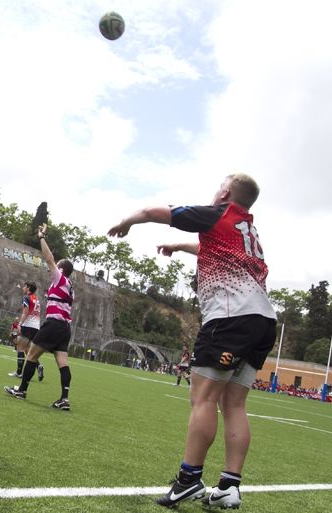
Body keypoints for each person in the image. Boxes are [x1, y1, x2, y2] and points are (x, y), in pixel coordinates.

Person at [107, 173, 277, 509]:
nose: (215, 190)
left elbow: (157, 211)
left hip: (231, 319)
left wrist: (127, 221)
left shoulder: (219, 213)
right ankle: (229, 486)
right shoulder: (246, 230)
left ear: (226, 193)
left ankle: (188, 480)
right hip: (263, 321)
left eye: (219, 186)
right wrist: (178, 246)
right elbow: (207, 246)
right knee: (234, 405)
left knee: (202, 398)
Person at [4, 224, 73, 411]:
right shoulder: (69, 286)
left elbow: (48, 258)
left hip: (53, 325)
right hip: (65, 329)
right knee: (63, 363)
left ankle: (22, 390)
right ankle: (64, 399)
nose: (54, 266)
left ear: (62, 269)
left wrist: (41, 237)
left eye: (58, 265)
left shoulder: (60, 278)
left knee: (32, 355)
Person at [7, 281, 44, 381]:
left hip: (27, 326)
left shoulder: (26, 298)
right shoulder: (36, 299)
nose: (23, 288)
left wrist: (20, 324)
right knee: (29, 351)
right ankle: (38, 366)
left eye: (24, 286)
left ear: (28, 288)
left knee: (20, 348)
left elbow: (25, 312)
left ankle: (19, 372)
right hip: (36, 327)